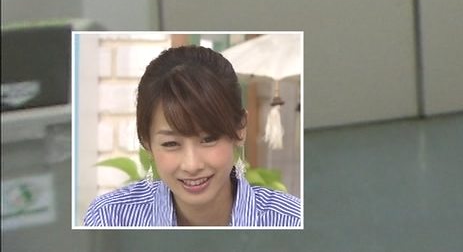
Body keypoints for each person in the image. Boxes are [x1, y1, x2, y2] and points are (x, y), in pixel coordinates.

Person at [82, 44, 302, 228]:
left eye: (208, 139)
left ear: (240, 129)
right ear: (146, 142)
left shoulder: (291, 220)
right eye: (171, 143)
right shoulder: (110, 219)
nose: (192, 165)